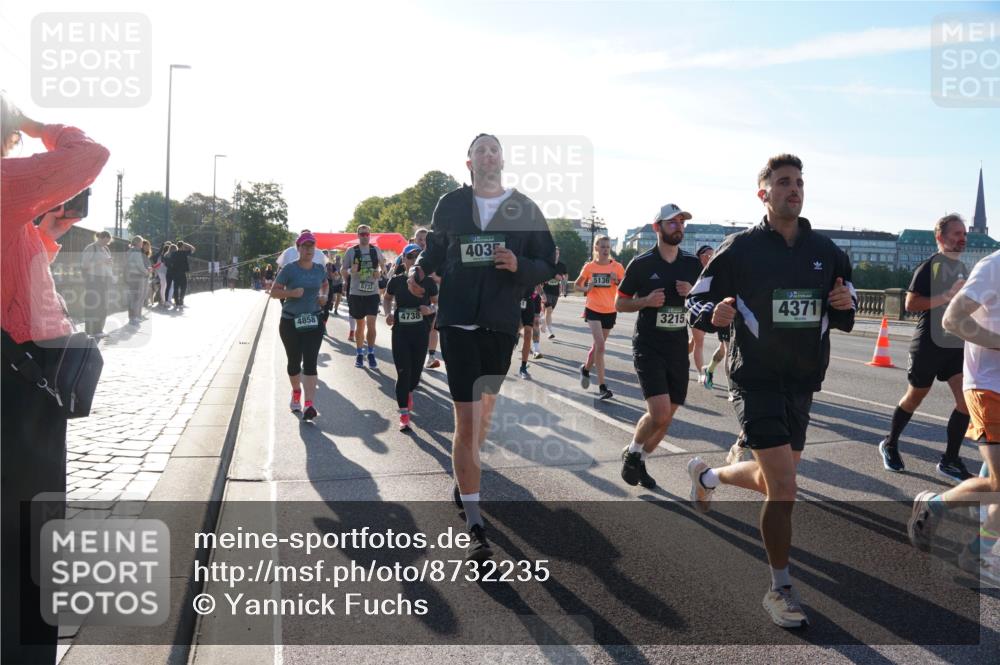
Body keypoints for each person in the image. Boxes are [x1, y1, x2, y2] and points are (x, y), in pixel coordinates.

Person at [686, 154, 856, 628]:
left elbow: (847, 305)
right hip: (754, 378)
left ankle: (709, 478)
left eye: (799, 182)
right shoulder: (739, 249)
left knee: (771, 480)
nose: (794, 189)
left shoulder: (826, 250)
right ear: (763, 193)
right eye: (783, 182)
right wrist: (711, 315)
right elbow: (696, 299)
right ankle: (780, 588)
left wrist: (845, 302)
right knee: (784, 486)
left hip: (801, 381)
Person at [408, 133, 556, 560]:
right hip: (456, 320)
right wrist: (420, 269)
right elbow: (434, 248)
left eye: (494, 149)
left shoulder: (524, 208)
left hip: (499, 325)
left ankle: (464, 475)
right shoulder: (451, 204)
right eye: (480, 151)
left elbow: (548, 262)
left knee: (483, 417)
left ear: (502, 160)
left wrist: (520, 265)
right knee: (467, 421)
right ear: (469, 162)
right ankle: (475, 523)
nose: (487, 155)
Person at [1, 94, 110, 665]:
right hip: (17, 382)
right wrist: (42, 126)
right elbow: (89, 155)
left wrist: (45, 232)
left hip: (19, 374)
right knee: (31, 519)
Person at [909, 248, 1000, 585]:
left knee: (996, 482)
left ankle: (978, 552)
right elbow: (952, 320)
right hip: (990, 387)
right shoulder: (994, 266)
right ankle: (935, 504)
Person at [878, 214, 972, 481]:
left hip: (954, 344)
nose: (961, 238)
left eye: (964, 234)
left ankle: (950, 460)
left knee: (966, 402)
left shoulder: (963, 269)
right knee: (915, 396)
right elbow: (910, 304)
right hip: (928, 344)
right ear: (940, 238)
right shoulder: (929, 266)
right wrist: (946, 296)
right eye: (956, 234)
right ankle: (890, 443)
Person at [615, 203, 701, 489]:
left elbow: (704, 300)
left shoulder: (692, 264)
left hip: (677, 346)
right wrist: (644, 301)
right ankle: (633, 450)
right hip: (649, 346)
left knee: (668, 415)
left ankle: (639, 458)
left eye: (681, 222)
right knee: (660, 412)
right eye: (672, 222)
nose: (679, 226)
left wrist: (691, 294)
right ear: (657, 228)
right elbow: (620, 302)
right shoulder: (641, 264)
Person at [270, 232, 329, 422]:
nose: (309, 250)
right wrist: (292, 293)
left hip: (313, 320)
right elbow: (274, 293)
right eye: (305, 246)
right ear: (298, 249)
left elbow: (325, 284)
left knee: (311, 362)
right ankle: (296, 391)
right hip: (290, 322)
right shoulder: (289, 269)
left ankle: (309, 404)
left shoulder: (319, 268)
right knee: (294, 362)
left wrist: (323, 297)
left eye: (312, 246)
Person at [385, 244, 438, 431]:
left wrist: (429, 310)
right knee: (403, 372)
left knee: (414, 376)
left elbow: (437, 304)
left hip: (420, 333)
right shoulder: (397, 281)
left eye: (417, 257)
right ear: (404, 259)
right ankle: (404, 414)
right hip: (400, 333)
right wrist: (388, 313)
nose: (413, 260)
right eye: (410, 257)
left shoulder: (429, 283)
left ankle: (409, 392)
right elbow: (387, 297)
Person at [574, 235, 624, 400]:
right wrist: (587, 288)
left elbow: (625, 288)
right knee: (601, 346)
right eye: (602, 247)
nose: (605, 250)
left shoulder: (617, 267)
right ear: (596, 248)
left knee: (597, 347)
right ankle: (603, 387)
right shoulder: (589, 267)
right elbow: (576, 285)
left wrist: (616, 281)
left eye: (608, 247)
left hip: (610, 310)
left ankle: (585, 369)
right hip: (593, 309)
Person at [342, 225, 385, 369]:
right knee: (360, 326)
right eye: (362, 234)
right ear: (358, 235)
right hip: (356, 293)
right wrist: (350, 270)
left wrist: (380, 272)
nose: (365, 236)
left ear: (370, 235)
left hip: (372, 292)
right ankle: (360, 353)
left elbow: (383, 266)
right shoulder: (351, 251)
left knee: (372, 324)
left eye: (367, 234)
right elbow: (343, 271)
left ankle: (371, 353)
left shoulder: (375, 250)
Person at [415, 227, 445, 370]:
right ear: (415, 240)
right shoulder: (410, 253)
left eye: (425, 239)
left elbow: (441, 276)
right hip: (418, 295)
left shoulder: (437, 256)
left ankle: (431, 356)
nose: (423, 242)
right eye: (420, 239)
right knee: (419, 328)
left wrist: (436, 278)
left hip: (434, 295)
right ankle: (415, 362)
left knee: (432, 326)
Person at [687, 244, 715, 384]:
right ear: (701, 256)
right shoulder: (693, 270)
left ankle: (678, 357)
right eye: (709, 255)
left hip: (710, 310)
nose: (711, 257)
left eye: (713, 255)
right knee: (699, 342)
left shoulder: (715, 269)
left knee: (694, 342)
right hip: (696, 309)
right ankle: (700, 373)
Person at [80, 230, 114, 337]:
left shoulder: (106, 249)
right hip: (93, 279)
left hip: (105, 279)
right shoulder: (91, 248)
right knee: (93, 304)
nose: (106, 244)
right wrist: (101, 262)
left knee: (103, 305)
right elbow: (85, 265)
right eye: (105, 241)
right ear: (100, 238)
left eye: (108, 242)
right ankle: (90, 331)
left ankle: (99, 330)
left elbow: (107, 263)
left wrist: (109, 264)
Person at [541, 246, 567, 338]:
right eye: (554, 253)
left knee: (549, 312)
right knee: (548, 310)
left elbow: (565, 278)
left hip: (555, 292)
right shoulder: (547, 264)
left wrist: (563, 285)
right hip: (546, 291)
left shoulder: (561, 265)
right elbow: (540, 275)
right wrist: (545, 279)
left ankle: (543, 322)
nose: (556, 255)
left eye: (557, 253)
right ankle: (549, 331)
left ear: (559, 254)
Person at [517, 285, 543, 379]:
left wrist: (542, 294)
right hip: (515, 301)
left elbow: (537, 283)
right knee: (514, 332)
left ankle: (523, 368)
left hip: (529, 303)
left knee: (528, 334)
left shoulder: (533, 270)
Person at [125, 235, 150, 326]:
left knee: (133, 298)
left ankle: (132, 317)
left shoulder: (130, 251)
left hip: (131, 276)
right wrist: (147, 271)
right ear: (138, 243)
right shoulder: (137, 252)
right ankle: (134, 318)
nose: (142, 244)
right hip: (137, 276)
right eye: (141, 242)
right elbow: (139, 265)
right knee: (137, 298)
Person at [169, 240, 195, 308]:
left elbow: (171, 262)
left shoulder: (173, 253)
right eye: (183, 246)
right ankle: (181, 301)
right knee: (184, 287)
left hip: (175, 272)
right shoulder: (184, 253)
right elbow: (193, 249)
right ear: (182, 246)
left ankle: (177, 302)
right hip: (182, 273)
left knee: (176, 288)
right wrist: (186, 244)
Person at [153, 241, 173, 307]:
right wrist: (154, 268)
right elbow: (158, 264)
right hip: (161, 272)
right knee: (164, 285)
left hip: (165, 272)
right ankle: (164, 301)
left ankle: (165, 300)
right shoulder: (162, 255)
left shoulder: (166, 255)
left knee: (166, 286)